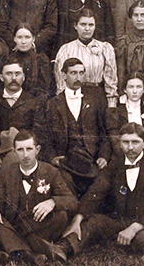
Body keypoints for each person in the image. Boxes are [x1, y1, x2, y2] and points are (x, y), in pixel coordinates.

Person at [54, 123, 144, 257]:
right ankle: (63, 249)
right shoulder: (115, 165)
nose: (130, 147)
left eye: (135, 142)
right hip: (120, 220)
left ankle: (124, 240)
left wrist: (136, 227)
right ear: (120, 143)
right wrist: (78, 218)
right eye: (125, 142)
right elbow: (96, 192)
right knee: (92, 222)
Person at [0, 130, 77, 265]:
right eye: (20, 150)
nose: (25, 155)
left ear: (37, 150)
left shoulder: (50, 171)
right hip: (15, 221)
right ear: (14, 152)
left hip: (37, 224)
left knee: (61, 215)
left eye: (29, 149)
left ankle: (17, 249)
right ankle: (36, 251)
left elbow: (72, 201)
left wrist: (53, 202)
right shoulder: (7, 172)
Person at [41, 58, 117, 197]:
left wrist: (103, 156)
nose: (78, 77)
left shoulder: (95, 101)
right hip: (66, 162)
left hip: (92, 160)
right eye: (73, 73)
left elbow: (103, 133)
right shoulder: (53, 104)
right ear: (64, 75)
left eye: (81, 73)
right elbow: (47, 137)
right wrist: (53, 158)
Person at [54, 10, 119, 107]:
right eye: (83, 24)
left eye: (91, 25)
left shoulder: (105, 48)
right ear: (76, 26)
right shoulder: (66, 49)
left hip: (97, 97)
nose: (87, 29)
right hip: (73, 96)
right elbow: (61, 80)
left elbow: (111, 79)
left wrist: (111, 106)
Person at [0, 55, 44, 132]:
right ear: (1, 77)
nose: (13, 78)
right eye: (9, 74)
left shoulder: (35, 102)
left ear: (23, 77)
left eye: (17, 74)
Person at [8, 24, 53, 98]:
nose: (23, 41)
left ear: (33, 39)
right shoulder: (8, 60)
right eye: (19, 37)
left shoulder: (41, 61)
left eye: (27, 37)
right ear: (14, 39)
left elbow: (44, 90)